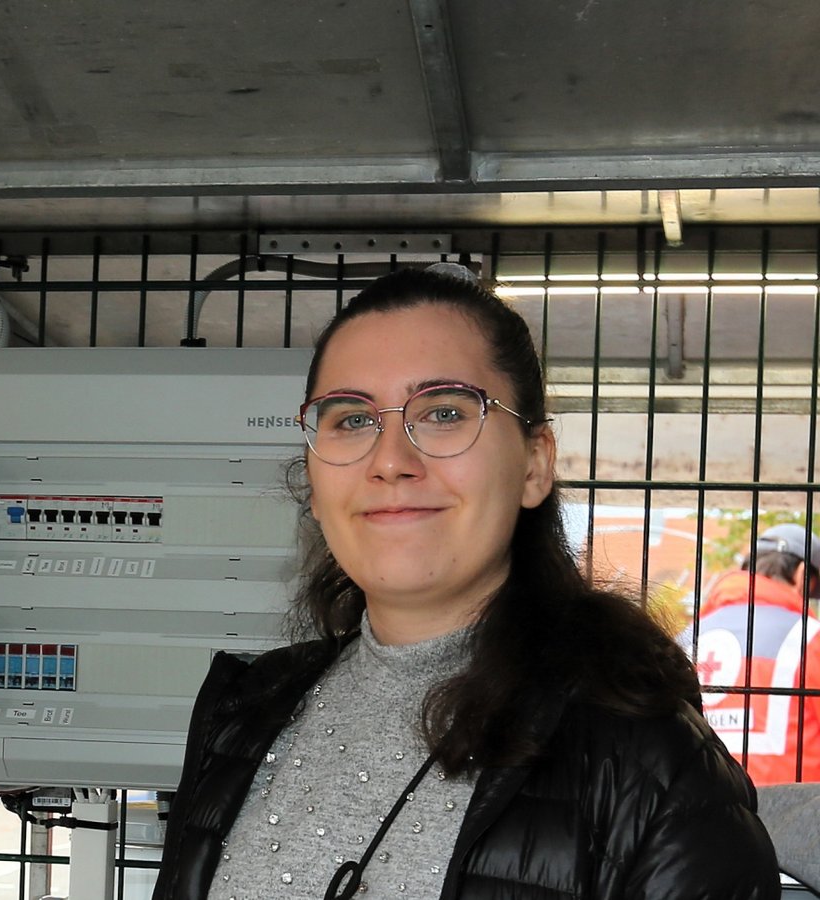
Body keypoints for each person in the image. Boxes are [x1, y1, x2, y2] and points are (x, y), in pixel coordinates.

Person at [154, 266, 778, 899]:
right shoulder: (244, 715)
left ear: (534, 465)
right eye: (351, 419)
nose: (390, 461)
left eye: (444, 412)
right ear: (314, 485)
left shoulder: (651, 764)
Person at [683, 522, 820, 785]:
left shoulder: (686, 637)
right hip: (795, 804)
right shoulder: (810, 637)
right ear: (802, 575)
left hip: (697, 802)